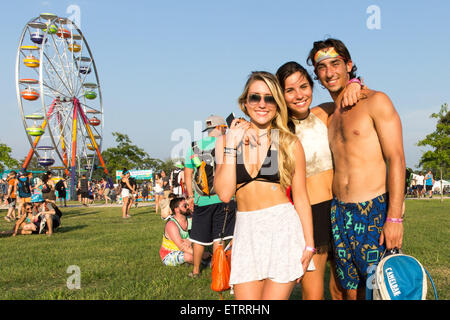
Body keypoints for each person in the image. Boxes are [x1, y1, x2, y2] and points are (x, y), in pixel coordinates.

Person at [307, 38, 405, 300]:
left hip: (372, 208)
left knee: (380, 290)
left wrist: (394, 218)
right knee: (351, 292)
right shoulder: (328, 114)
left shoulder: (375, 101)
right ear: (316, 74)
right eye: (322, 67)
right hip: (339, 212)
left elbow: (396, 159)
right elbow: (287, 111)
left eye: (336, 64)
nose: (329, 72)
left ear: (349, 65)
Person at [214, 72, 315, 300]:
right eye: (255, 97)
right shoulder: (225, 142)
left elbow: (301, 197)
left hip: (283, 230)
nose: (262, 104)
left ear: (277, 104)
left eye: (269, 98)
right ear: (244, 102)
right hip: (246, 231)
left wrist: (309, 245)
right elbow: (224, 193)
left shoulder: (288, 142)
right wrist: (231, 144)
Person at [275, 61, 362, 300]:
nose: (299, 95)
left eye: (304, 86)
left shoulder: (325, 112)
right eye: (289, 90)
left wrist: (355, 83)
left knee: (343, 288)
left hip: (342, 208)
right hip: (310, 214)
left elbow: (353, 98)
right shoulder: (278, 130)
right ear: (280, 94)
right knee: (313, 292)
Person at [184, 114, 236, 278]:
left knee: (198, 237)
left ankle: (196, 271)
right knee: (218, 236)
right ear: (221, 128)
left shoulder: (194, 147)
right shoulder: (227, 144)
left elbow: (188, 174)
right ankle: (217, 271)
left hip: (201, 198)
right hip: (224, 197)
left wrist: (191, 196)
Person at [159, 197, 194, 266]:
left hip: (188, 248)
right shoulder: (171, 225)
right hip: (169, 253)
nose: (188, 207)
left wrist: (189, 241)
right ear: (176, 210)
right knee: (190, 256)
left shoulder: (191, 219)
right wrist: (200, 253)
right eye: (185, 206)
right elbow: (182, 246)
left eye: (187, 205)